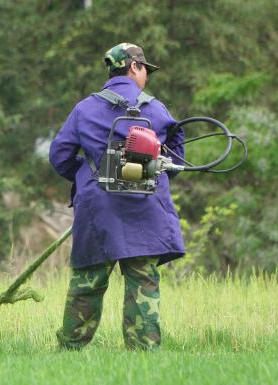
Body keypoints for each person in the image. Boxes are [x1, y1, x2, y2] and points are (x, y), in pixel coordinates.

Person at [48, 42, 185, 350]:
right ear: (134, 67)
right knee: (142, 283)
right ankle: (144, 355)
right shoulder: (158, 109)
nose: (146, 77)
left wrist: (86, 176)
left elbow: (59, 156)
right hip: (145, 210)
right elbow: (176, 161)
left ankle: (68, 352)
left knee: (87, 284)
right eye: (145, 70)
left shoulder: (84, 108)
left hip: (99, 211)